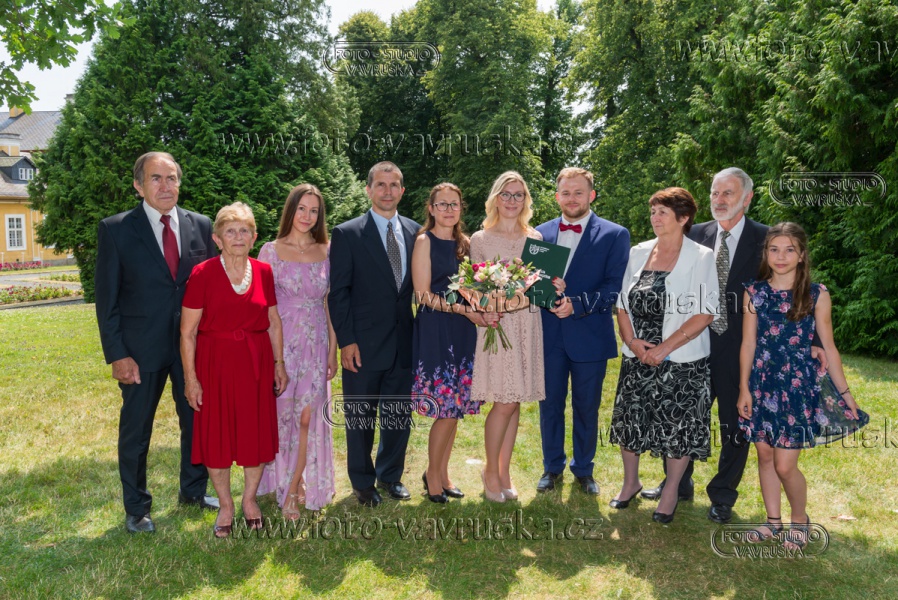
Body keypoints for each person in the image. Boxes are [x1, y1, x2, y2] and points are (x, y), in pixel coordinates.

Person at [640, 167, 828, 524]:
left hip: (742, 347)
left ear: (747, 198)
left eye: (728, 193)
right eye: (715, 193)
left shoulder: (766, 239)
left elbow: (798, 287)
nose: (719, 200)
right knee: (683, 415)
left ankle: (723, 493)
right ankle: (677, 483)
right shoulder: (693, 233)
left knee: (735, 423)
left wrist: (816, 339)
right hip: (691, 341)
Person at [95, 151, 219, 534]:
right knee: (137, 431)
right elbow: (106, 300)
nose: (165, 186)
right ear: (138, 185)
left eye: (171, 178)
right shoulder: (116, 229)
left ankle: (193, 491)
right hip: (140, 351)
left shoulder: (201, 225)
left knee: (196, 421)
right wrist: (117, 354)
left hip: (191, 349)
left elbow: (211, 289)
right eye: (155, 178)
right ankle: (137, 508)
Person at [737, 222, 868, 549]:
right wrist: (744, 388)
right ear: (766, 253)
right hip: (762, 382)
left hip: (796, 386)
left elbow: (830, 347)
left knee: (785, 465)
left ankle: (800, 521)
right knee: (765, 456)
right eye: (774, 249)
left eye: (789, 250)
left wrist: (846, 394)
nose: (780, 256)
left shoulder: (816, 294)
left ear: (801, 255)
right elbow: (748, 344)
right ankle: (772, 522)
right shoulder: (754, 292)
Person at [610, 187, 718, 523]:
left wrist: (664, 348)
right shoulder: (638, 251)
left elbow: (705, 312)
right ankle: (630, 483)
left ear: (683, 218)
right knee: (631, 421)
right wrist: (632, 341)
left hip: (681, 358)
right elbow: (622, 303)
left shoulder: (701, 256)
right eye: (653, 211)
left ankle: (671, 491)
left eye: (662, 212)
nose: (654, 218)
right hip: (637, 354)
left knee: (677, 426)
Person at [180, 202, 287, 538]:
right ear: (217, 238)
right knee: (217, 436)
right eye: (230, 231)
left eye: (244, 231)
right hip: (215, 365)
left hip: (256, 365)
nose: (238, 237)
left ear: (254, 237)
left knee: (254, 433)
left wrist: (279, 364)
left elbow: (273, 321)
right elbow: (187, 332)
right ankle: (225, 504)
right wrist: (191, 379)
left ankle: (249, 500)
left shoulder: (264, 272)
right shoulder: (202, 274)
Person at [328, 161, 420, 507]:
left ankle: (391, 476)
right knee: (361, 417)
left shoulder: (416, 232)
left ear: (402, 191)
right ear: (368, 190)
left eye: (394, 185)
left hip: (404, 341)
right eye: (380, 185)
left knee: (398, 416)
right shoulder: (348, 233)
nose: (387, 191)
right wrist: (347, 341)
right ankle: (363, 482)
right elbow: (338, 293)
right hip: (362, 344)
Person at [535, 167, 630, 496]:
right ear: (557, 196)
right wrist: (545, 294)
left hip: (589, 335)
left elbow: (614, 286)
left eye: (578, 192)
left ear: (591, 195)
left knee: (587, 407)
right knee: (549, 405)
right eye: (566, 192)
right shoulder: (539, 234)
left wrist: (576, 304)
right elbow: (531, 282)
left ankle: (584, 469)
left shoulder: (615, 234)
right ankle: (551, 467)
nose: (571, 198)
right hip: (548, 335)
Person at [411, 183, 496, 503]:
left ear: (461, 208)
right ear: (431, 209)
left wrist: (486, 307)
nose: (449, 210)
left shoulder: (465, 244)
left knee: (455, 406)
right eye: (442, 204)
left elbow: (474, 288)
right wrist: (462, 310)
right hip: (437, 328)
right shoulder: (424, 241)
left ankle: (443, 473)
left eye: (454, 204)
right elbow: (422, 294)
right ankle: (432, 476)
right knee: (445, 408)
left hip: (463, 331)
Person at [257, 184, 338, 516]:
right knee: (283, 417)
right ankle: (292, 478)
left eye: (314, 210)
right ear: (290, 211)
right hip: (281, 342)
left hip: (317, 344)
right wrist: (273, 357)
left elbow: (330, 304)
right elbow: (264, 307)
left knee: (307, 417)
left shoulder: (327, 251)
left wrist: (332, 350)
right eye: (302, 209)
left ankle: (292, 490)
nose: (307, 216)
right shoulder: (270, 251)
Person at [470, 171, 549, 503]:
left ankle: (504, 472)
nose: (512, 200)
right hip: (499, 325)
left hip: (528, 325)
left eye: (519, 195)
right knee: (503, 401)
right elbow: (477, 292)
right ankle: (490, 471)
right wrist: (501, 302)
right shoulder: (480, 239)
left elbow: (542, 288)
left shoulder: (536, 237)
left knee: (514, 401)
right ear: (496, 198)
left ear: (526, 200)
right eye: (506, 194)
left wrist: (552, 285)